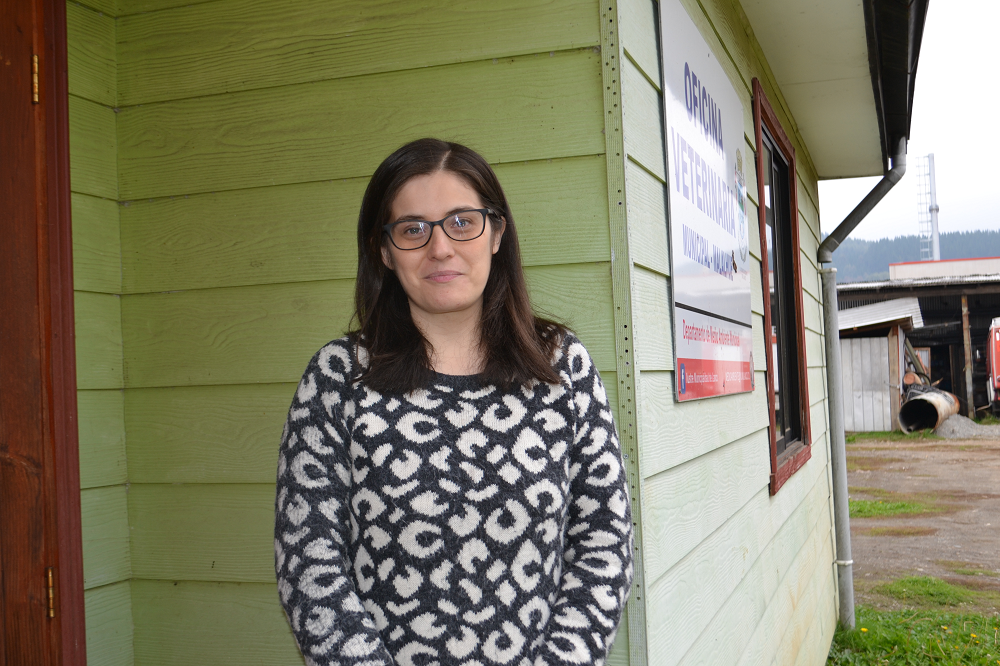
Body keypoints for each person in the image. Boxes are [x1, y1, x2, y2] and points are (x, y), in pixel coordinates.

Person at [274, 138, 633, 666]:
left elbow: (604, 542)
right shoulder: (338, 379)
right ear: (383, 250)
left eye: (462, 221)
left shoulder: (562, 368)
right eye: (413, 229)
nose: (440, 248)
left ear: (496, 233)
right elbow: (309, 564)